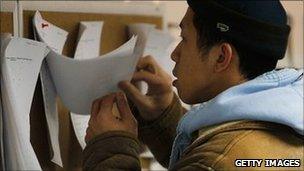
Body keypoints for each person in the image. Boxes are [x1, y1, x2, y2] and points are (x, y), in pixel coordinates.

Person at [83, 0, 303, 170]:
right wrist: (162, 117)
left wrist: (111, 149)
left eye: (184, 38)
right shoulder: (286, 127)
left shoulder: (214, 164)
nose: (174, 53)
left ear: (221, 57)